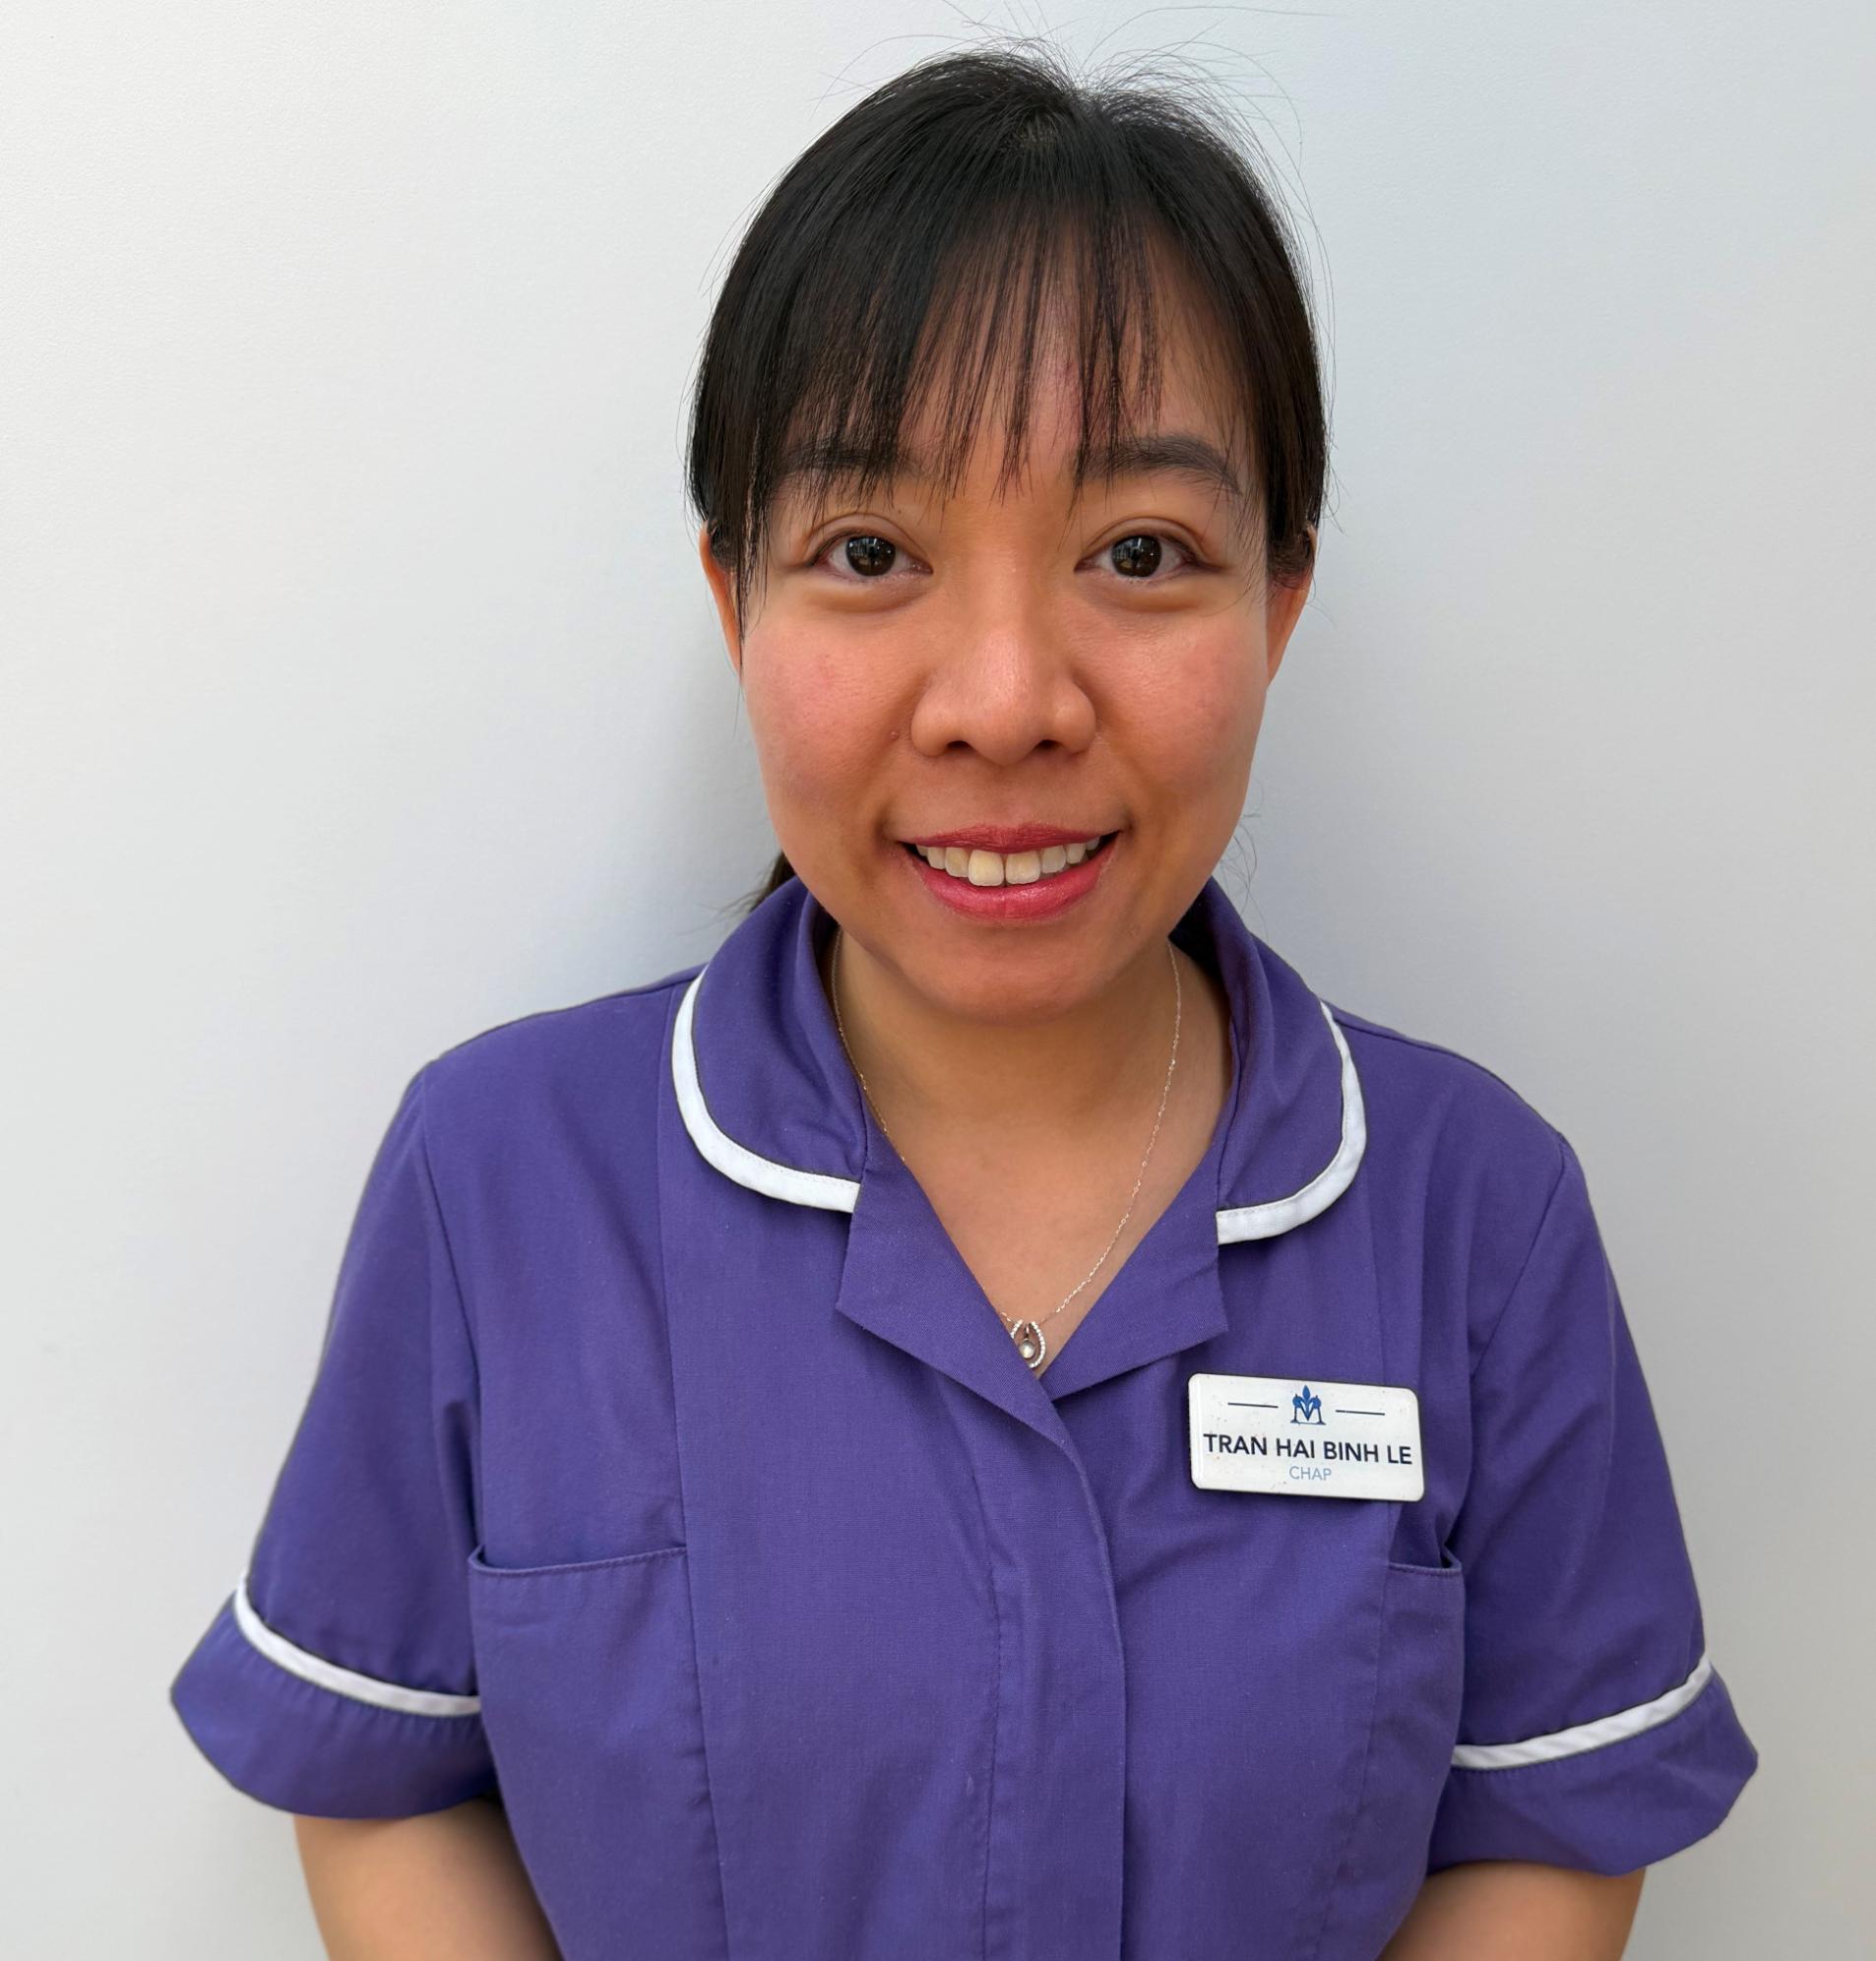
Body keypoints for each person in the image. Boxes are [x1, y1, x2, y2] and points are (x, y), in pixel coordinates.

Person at [169, 39, 1758, 1960]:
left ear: (1276, 604)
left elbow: (1551, 1822)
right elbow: (379, 1768)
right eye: (866, 554)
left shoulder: (1472, 1213)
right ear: (732, 597)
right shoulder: (498, 1177)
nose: (1002, 694)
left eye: (1138, 554)